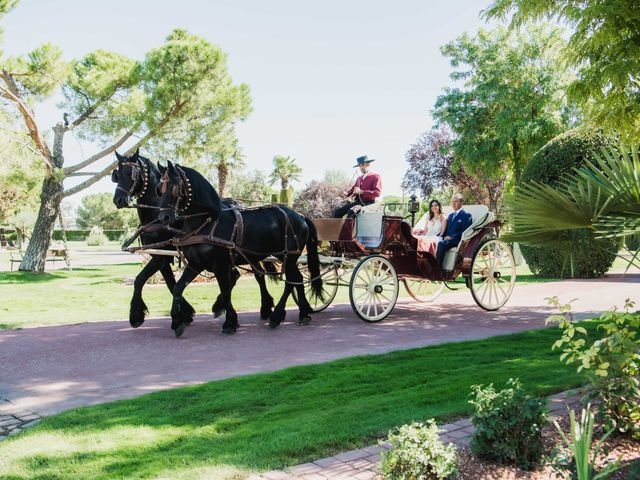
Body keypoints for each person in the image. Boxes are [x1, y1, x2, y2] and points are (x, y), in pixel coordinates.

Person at [436, 194, 473, 268]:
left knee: (441, 244)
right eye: (452, 202)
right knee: (433, 241)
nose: (453, 204)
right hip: (447, 240)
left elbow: (465, 231)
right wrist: (436, 236)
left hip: (457, 241)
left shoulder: (466, 215)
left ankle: (437, 269)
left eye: (455, 201)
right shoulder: (450, 216)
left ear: (461, 203)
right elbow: (446, 230)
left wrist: (452, 237)